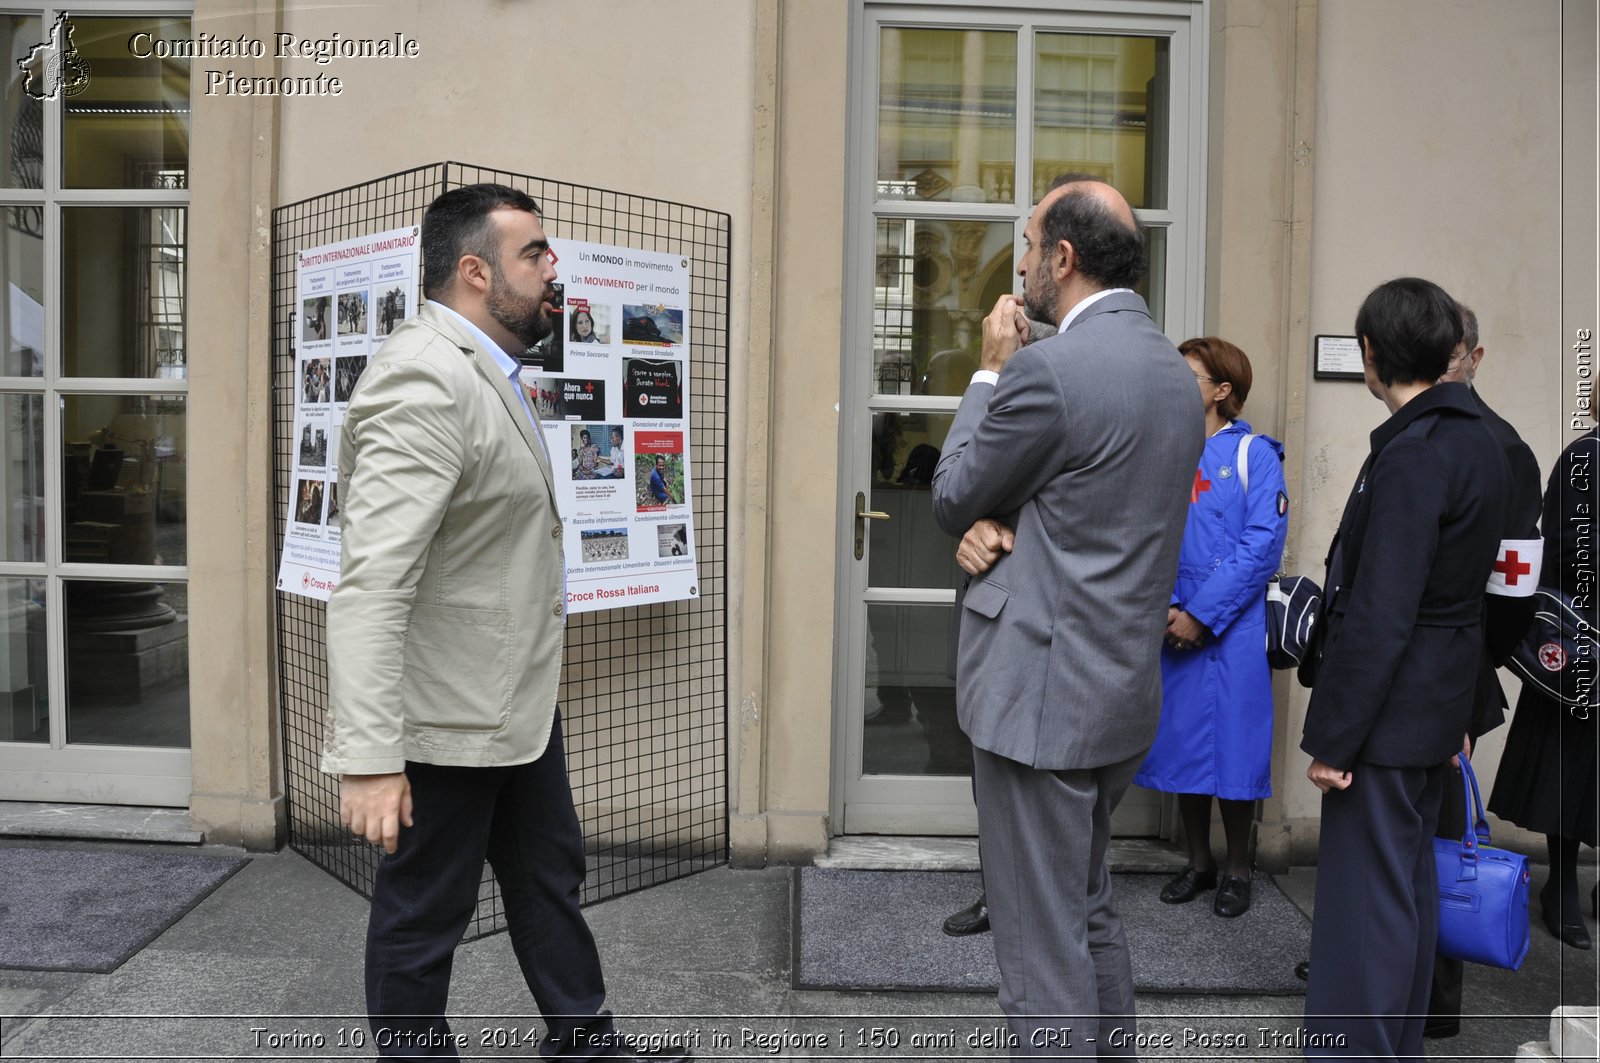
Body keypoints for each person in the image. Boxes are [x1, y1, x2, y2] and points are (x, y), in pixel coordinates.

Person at [323, 183, 686, 1062]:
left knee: (547, 876)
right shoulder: (425, 377)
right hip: (447, 720)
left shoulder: (487, 367)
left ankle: (581, 1038)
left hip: (516, 705)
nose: (554, 267)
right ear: (476, 270)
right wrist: (370, 756)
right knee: (424, 918)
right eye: (536, 253)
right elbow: (373, 584)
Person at [930, 173, 1203, 1053]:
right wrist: (1002, 525)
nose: (1019, 263)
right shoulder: (1172, 368)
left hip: (1039, 701)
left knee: (1037, 949)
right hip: (1119, 693)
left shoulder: (1046, 370)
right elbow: (1088, 505)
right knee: (1088, 912)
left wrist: (987, 369)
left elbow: (952, 490)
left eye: (1027, 243)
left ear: (1064, 256)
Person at [1300, 277, 1510, 1058]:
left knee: (1369, 907)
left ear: (1372, 355)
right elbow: (1482, 597)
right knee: (1407, 896)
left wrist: (1335, 739)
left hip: (1388, 716)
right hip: (1435, 702)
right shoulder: (1481, 439)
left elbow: (1384, 609)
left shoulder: (1416, 452)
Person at [1134, 337, 1288, 918]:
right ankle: (1197, 863)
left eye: (1189, 375)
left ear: (1223, 391)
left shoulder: (1254, 455)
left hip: (1235, 626)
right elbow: (1150, 532)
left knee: (1237, 750)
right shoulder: (1166, 451)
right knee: (1185, 747)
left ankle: (1237, 870)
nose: (1178, 382)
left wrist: (1202, 614)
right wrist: (1170, 610)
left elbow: (1261, 547)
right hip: (1171, 618)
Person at [1489, 423, 1598, 950]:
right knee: (1570, 763)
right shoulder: (1585, 456)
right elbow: (1565, 546)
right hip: (1584, 639)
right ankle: (1563, 887)